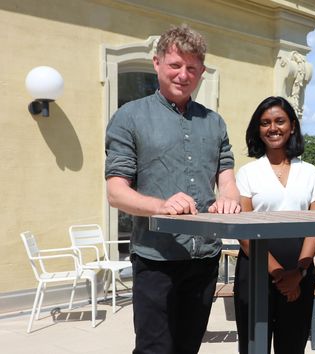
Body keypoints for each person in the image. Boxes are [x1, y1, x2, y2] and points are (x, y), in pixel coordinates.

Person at [104, 24, 241, 354]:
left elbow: (228, 180)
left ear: (201, 71)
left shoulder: (215, 122)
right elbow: (116, 192)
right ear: (157, 63)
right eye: (176, 65)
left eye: (192, 68)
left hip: (205, 258)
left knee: (188, 347)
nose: (183, 75)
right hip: (156, 259)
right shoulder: (129, 117)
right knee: (154, 349)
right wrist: (160, 205)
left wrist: (228, 199)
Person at [233, 96, 315, 354]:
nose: (273, 128)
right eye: (265, 123)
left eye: (280, 121)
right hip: (256, 272)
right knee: (253, 348)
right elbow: (244, 231)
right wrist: (278, 274)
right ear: (258, 129)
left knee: (293, 347)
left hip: (301, 271)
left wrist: (299, 273)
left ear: (292, 126)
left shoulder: (311, 172)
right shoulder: (248, 173)